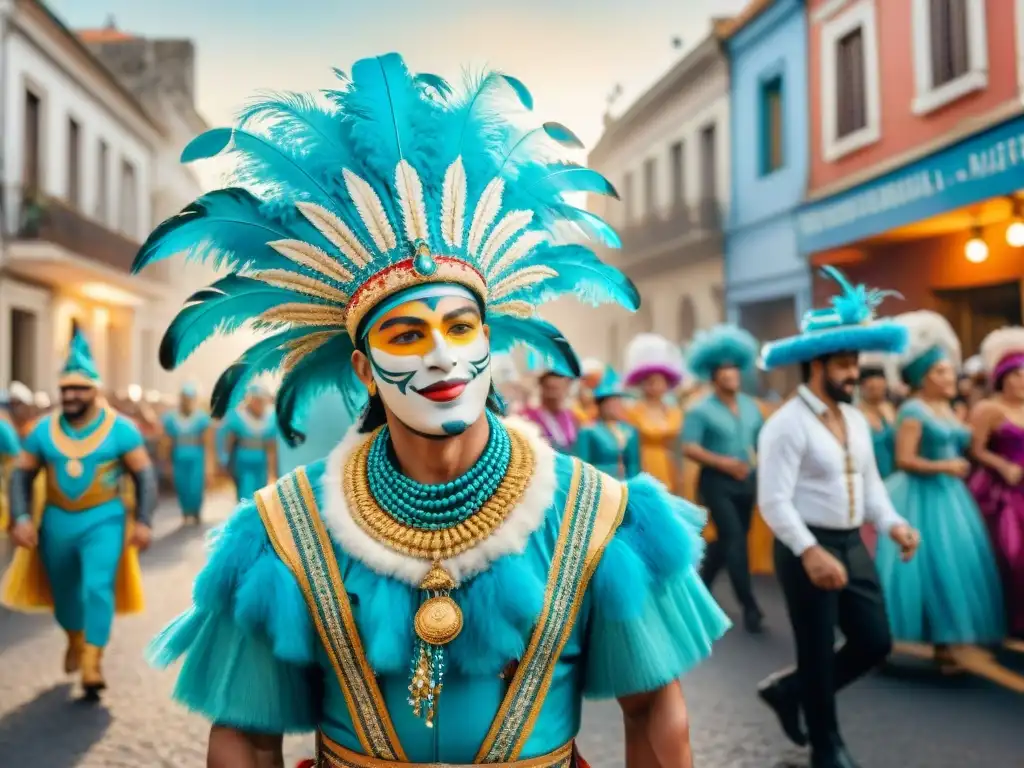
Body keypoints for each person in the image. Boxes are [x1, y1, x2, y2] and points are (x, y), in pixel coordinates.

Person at [139, 53, 730, 768]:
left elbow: (655, 710)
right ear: (364, 368)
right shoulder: (282, 532)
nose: (442, 358)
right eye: (406, 335)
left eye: (460, 328)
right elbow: (245, 736)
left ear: (488, 338)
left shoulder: (597, 516)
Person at [756, 267, 920, 768]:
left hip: (853, 541)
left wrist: (892, 523)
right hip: (806, 546)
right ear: (817, 363)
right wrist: (809, 552)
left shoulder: (853, 418)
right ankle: (826, 745)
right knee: (817, 647)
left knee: (875, 641)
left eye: (857, 363)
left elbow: (869, 484)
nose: (855, 374)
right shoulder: (786, 425)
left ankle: (790, 691)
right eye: (846, 364)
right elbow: (774, 501)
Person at [0, 329, 155, 697]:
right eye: (66, 389)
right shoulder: (42, 430)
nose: (71, 396)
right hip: (55, 523)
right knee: (65, 592)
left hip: (104, 519)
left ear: (95, 390)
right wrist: (20, 518)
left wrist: (145, 521)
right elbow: (21, 475)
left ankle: (92, 662)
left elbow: (144, 476)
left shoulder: (121, 429)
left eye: (80, 389)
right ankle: (74, 637)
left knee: (97, 586)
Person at [877, 311, 1004, 671]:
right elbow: (904, 459)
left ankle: (947, 642)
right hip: (922, 496)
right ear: (923, 378)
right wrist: (944, 466)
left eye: (949, 370)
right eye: (941, 372)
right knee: (926, 570)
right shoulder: (913, 411)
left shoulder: (948, 408)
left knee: (957, 567)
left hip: (952, 497)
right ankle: (884, 638)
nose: (950, 377)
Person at [681, 324, 765, 633]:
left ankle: (698, 588)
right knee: (735, 541)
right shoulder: (700, 410)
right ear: (713, 377)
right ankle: (750, 606)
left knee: (729, 541)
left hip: (747, 481)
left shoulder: (751, 406)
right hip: (716, 483)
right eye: (723, 372)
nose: (731, 377)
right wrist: (724, 463)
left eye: (734, 371)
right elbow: (689, 447)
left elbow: (760, 442)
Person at [968, 327, 1024, 641]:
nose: (1021, 381)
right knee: (1012, 556)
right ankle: (1013, 621)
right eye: (1014, 375)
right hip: (1003, 494)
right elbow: (975, 450)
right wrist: (1002, 465)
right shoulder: (988, 409)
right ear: (1002, 377)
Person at [623, 334, 684, 493]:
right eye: (649, 382)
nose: (654, 386)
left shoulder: (673, 411)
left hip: (668, 462)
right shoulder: (632, 410)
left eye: (659, 381)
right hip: (642, 461)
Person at [855, 354, 895, 555]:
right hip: (867, 479)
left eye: (881, 387)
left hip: (892, 477)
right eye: (871, 387)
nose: (877, 391)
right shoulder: (855, 414)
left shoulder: (890, 410)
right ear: (862, 388)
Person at [573, 365, 641, 479]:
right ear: (600, 405)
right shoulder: (589, 431)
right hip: (601, 485)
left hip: (626, 486)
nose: (616, 406)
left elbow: (635, 465)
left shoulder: (630, 430)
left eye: (618, 401)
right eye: (611, 402)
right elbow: (582, 467)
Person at [161, 382, 213, 525]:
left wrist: (210, 466)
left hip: (197, 457)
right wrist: (166, 462)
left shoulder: (202, 418)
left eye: (189, 398)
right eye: (184, 398)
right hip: (179, 457)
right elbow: (167, 441)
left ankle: (196, 511)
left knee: (196, 485)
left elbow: (208, 443)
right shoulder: (171, 418)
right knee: (182, 484)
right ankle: (185, 511)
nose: (186, 401)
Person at [219, 384, 278, 501]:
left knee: (261, 494)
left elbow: (271, 446)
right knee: (245, 494)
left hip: (261, 464)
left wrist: (272, 471)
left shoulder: (270, 418)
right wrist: (224, 460)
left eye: (261, 401)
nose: (259, 404)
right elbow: (229, 440)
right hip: (243, 462)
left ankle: (257, 518)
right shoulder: (238, 416)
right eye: (256, 401)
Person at [522, 365, 580, 452]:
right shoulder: (528, 416)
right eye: (548, 388)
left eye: (556, 389)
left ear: (566, 389)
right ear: (541, 389)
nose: (552, 394)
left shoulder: (570, 416)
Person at [571, 357, 603, 426]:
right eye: (590, 380)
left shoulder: (600, 408)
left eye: (596, 382)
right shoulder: (571, 409)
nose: (593, 386)